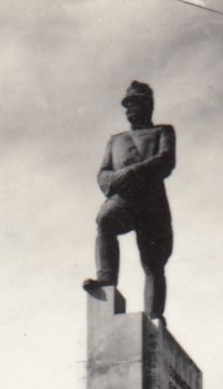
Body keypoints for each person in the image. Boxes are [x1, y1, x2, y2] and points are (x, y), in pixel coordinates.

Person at [83, 81, 175, 321]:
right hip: (124, 197)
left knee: (152, 263)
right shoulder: (115, 140)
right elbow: (103, 173)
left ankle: (154, 315)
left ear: (148, 105)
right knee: (105, 220)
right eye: (127, 105)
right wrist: (114, 181)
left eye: (135, 103)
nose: (130, 109)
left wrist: (133, 172)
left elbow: (165, 160)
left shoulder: (163, 132)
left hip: (151, 202)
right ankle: (106, 280)